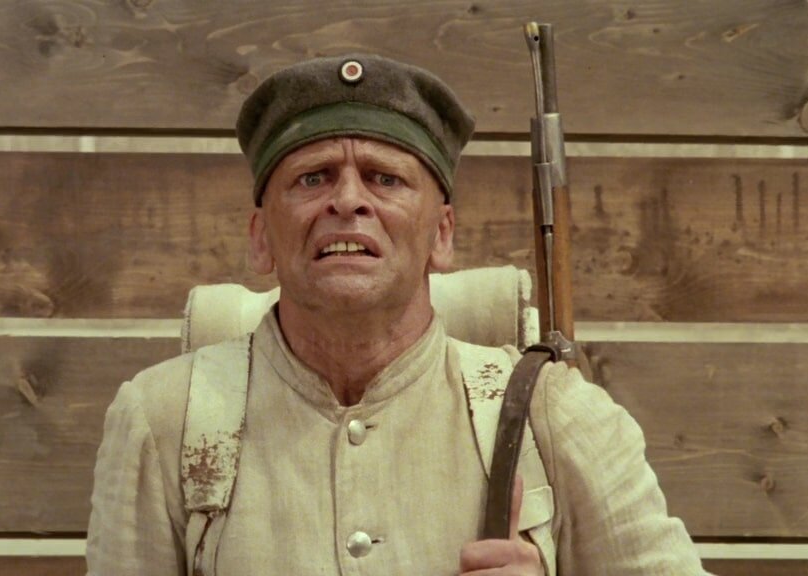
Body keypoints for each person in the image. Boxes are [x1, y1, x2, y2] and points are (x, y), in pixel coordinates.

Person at [85, 53, 706, 575]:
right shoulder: (161, 423)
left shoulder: (555, 413)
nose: (348, 201)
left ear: (442, 235)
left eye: (385, 179)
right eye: (312, 178)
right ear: (261, 239)